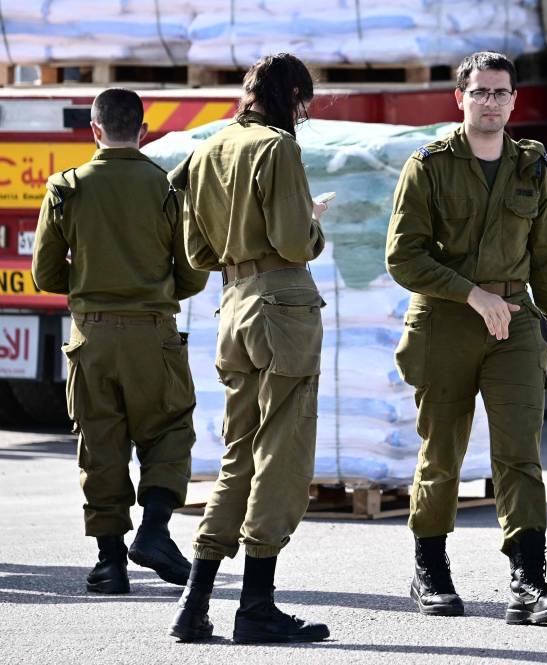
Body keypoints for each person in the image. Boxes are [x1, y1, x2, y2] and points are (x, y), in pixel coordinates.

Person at [386, 51, 547, 626]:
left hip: (516, 323)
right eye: (479, 92)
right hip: (447, 322)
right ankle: (430, 572)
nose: (491, 103)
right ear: (459, 98)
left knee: (520, 456)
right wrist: (472, 295)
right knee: (442, 453)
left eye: (501, 93)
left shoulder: (531, 165)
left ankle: (529, 582)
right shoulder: (427, 165)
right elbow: (403, 256)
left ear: (514, 101)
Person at [165, 53, 329, 645]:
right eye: (302, 103)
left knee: (238, 452)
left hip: (231, 305)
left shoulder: (207, 149)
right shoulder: (276, 149)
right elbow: (292, 240)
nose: (304, 115)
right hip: (282, 305)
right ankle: (257, 604)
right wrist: (313, 223)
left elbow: (198, 253)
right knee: (282, 451)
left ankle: (195, 603)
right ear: (287, 96)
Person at [32, 88, 208, 595]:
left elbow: (45, 274)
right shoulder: (166, 189)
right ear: (143, 130)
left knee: (100, 444)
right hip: (153, 335)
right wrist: (150, 291)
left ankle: (110, 564)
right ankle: (154, 531)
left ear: (95, 130)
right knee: (170, 430)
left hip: (91, 336)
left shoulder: (65, 187)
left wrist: (91, 286)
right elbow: (193, 272)